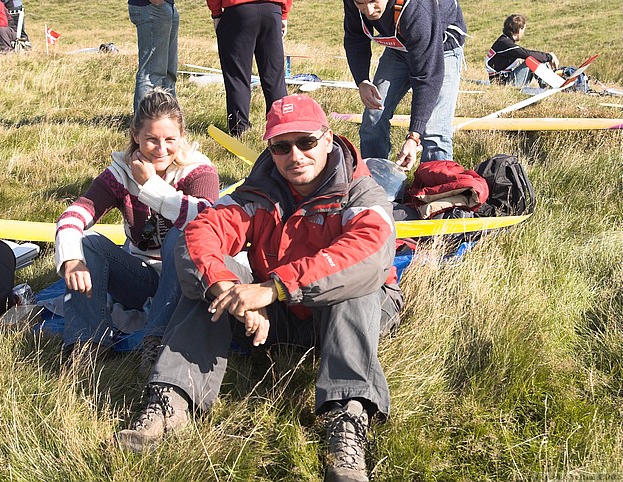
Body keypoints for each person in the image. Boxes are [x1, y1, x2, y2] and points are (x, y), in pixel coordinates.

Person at [115, 94, 404, 482]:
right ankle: (171, 399)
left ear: (329, 138)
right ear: (270, 148)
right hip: (277, 312)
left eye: (306, 142)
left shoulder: (360, 191)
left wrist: (273, 289)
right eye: (282, 146)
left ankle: (347, 422)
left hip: (348, 312)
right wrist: (228, 289)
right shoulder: (259, 191)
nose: (295, 155)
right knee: (211, 276)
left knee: (355, 285)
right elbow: (200, 233)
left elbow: (368, 254)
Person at [54, 89, 219, 366]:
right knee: (87, 243)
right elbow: (75, 213)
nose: (161, 149)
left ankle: (156, 340)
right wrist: (71, 259)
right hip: (139, 276)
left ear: (182, 136)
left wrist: (150, 186)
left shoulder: (198, 169)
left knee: (185, 233)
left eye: (170, 140)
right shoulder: (120, 172)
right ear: (135, 135)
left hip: (183, 278)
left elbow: (207, 219)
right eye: (151, 140)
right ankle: (88, 343)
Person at [343, 0, 467, 170]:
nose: (369, 10)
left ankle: (438, 188)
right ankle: (374, 181)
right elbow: (355, 36)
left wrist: (414, 137)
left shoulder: (417, 6)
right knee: (374, 116)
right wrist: (362, 80)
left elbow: (427, 76)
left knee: (434, 131)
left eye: (373, 1)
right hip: (399, 47)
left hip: (441, 48)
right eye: (361, 3)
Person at [207, 0, 290, 137]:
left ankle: (240, 130)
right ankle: (281, 128)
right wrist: (284, 12)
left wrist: (216, 13)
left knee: (237, 76)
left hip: (238, 10)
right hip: (272, 9)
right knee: (275, 78)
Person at [128, 0, 179, 116]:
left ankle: (168, 118)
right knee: (151, 74)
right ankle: (145, 122)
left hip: (164, 6)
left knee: (168, 74)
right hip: (152, 7)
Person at [485, 14, 559, 87]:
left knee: (536, 60)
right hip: (503, 84)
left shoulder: (504, 40)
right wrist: (550, 57)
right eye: (523, 30)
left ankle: (552, 80)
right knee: (532, 61)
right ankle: (551, 84)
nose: (523, 33)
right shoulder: (505, 43)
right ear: (519, 29)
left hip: (504, 80)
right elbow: (527, 54)